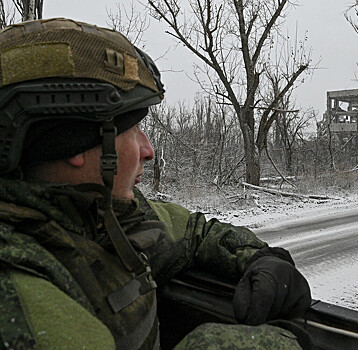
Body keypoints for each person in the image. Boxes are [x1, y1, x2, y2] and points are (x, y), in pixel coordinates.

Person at [0, 18, 311, 349]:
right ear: (75, 146)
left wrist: (260, 258)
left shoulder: (100, 215)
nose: (148, 151)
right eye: (132, 131)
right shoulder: (17, 291)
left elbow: (192, 231)